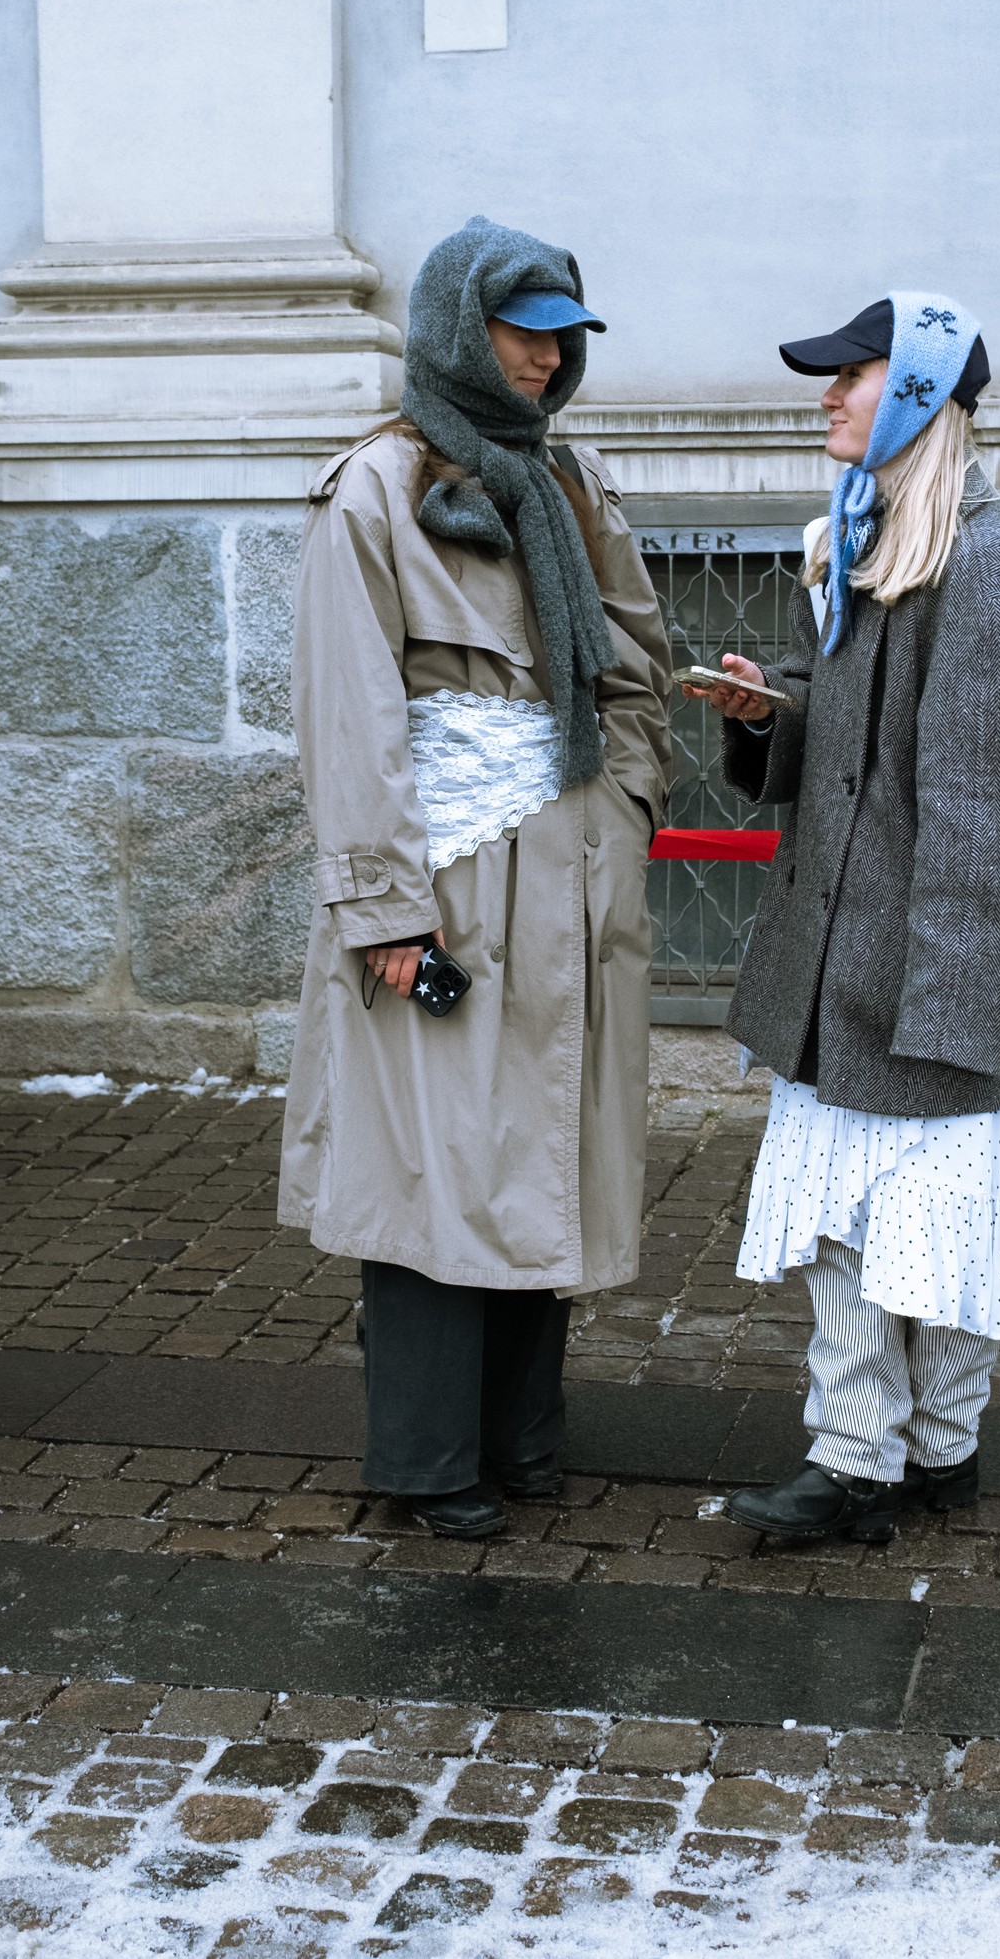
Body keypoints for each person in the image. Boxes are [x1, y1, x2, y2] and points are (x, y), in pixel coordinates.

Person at [279, 215, 673, 1538]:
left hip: (568, 876)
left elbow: (631, 664)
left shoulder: (571, 485)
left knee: (540, 1148)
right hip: (441, 883)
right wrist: (382, 908)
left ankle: (520, 1438)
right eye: (523, 329)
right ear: (460, 324)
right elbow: (350, 714)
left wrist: (620, 808)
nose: (546, 358)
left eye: (564, 335)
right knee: (435, 1164)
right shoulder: (376, 488)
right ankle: (430, 1457)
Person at [684, 292, 1000, 1543]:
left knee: (933, 1229)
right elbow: (857, 759)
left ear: (913, 396)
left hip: (918, 977)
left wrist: (952, 1007)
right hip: (844, 965)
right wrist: (770, 715)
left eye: (850, 377)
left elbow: (993, 811)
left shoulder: (984, 564)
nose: (827, 397)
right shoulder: (878, 537)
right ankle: (880, 1450)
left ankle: (911, 1455)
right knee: (855, 1231)